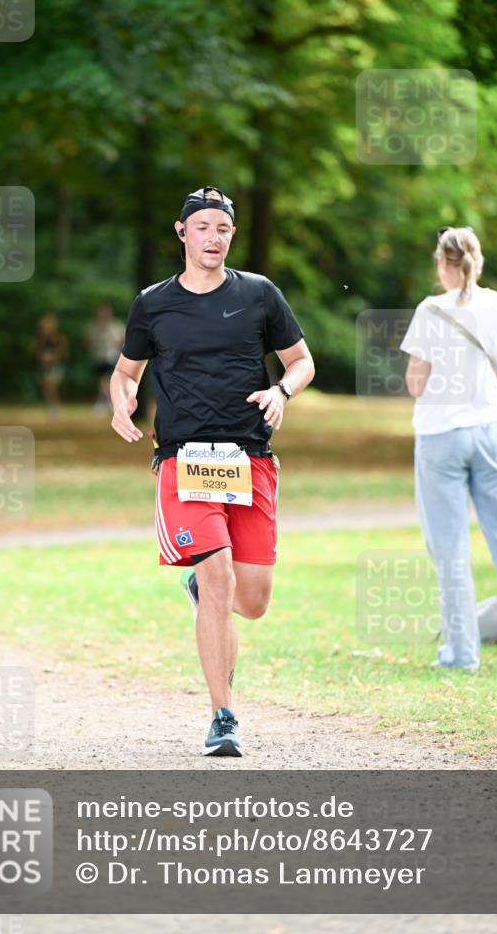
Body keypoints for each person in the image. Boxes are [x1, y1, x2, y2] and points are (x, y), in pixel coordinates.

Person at [110, 185, 315, 755]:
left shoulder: (259, 294)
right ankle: (223, 716)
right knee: (221, 574)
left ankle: (199, 585)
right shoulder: (153, 303)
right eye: (202, 227)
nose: (213, 238)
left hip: (250, 457)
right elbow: (127, 372)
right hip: (184, 459)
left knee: (251, 602)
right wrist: (122, 398)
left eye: (222, 229)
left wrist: (281, 391)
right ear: (182, 233)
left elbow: (302, 362)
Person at [400, 226, 497, 671]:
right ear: (477, 263)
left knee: (449, 547)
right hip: (488, 432)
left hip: (440, 436)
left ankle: (462, 655)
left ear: (443, 265)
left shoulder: (430, 310)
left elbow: (416, 381)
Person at [85, 303, 125, 415]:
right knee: (102, 381)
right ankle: (104, 402)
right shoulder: (93, 326)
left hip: (111, 357)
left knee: (105, 380)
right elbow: (88, 341)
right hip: (98, 357)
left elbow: (122, 341)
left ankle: (107, 403)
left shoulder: (116, 326)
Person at [31, 312, 69, 418]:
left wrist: (53, 358)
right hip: (43, 367)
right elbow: (34, 352)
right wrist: (42, 358)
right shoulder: (39, 339)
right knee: (46, 387)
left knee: (50, 385)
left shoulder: (59, 338)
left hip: (56, 367)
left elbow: (63, 354)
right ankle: (51, 407)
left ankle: (55, 407)